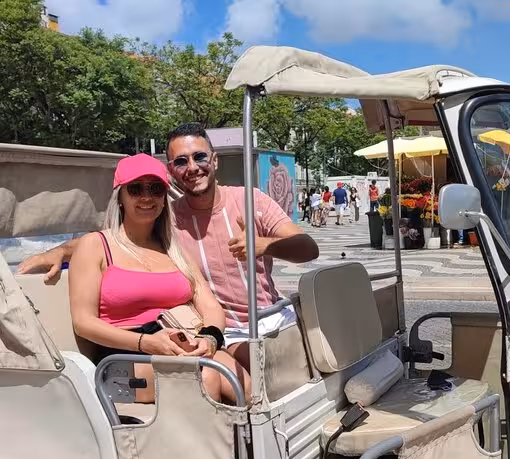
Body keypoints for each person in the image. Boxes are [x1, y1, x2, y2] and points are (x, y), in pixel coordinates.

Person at [17, 123, 319, 378]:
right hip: (215, 334)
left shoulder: (248, 201)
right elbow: (115, 240)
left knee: (314, 357)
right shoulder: (168, 220)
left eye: (200, 157)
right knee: (238, 374)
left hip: (266, 319)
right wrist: (56, 251)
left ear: (214, 161)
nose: (192, 168)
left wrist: (262, 244)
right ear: (172, 171)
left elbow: (308, 249)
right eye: (181, 162)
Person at [69, 153, 248, 404]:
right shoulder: (95, 246)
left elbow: (209, 305)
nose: (146, 197)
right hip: (124, 356)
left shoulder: (173, 249)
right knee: (206, 377)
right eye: (135, 189)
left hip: (181, 343)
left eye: (155, 189)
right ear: (120, 197)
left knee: (245, 384)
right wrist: (147, 343)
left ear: (164, 198)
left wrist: (209, 338)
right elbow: (83, 322)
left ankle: (245, 443)